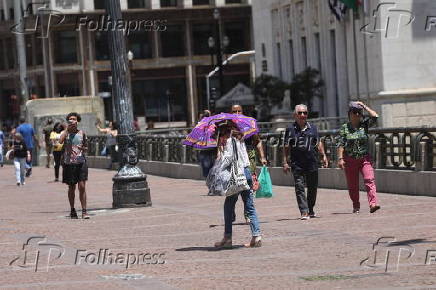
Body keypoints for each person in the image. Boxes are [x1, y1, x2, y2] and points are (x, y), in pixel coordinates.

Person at [212, 121, 262, 248]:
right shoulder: (240, 139)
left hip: (236, 176)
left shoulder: (229, 141)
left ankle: (227, 238)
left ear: (224, 133)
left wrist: (220, 155)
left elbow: (227, 160)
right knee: (249, 206)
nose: (219, 137)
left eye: (220, 134)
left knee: (228, 206)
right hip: (246, 173)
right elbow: (245, 159)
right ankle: (256, 236)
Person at [282, 104, 328, 220]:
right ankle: (304, 211)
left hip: (312, 162)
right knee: (299, 187)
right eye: (300, 113)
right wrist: (285, 162)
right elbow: (286, 146)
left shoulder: (313, 128)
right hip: (297, 164)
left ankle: (310, 209)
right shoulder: (290, 129)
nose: (302, 115)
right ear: (295, 115)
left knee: (312, 188)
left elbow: (318, 143)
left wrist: (323, 156)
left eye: (305, 113)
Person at [337, 101, 380, 214]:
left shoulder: (364, 125)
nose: (357, 115)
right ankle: (356, 205)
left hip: (364, 159)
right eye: (354, 112)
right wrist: (340, 158)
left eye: (359, 112)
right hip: (350, 160)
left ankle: (373, 204)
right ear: (349, 114)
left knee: (369, 179)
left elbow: (375, 116)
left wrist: (364, 106)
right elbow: (341, 143)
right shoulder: (345, 128)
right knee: (353, 185)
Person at [230, 104, 267, 223]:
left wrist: (262, 157)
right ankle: (230, 209)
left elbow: (258, 141)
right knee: (234, 187)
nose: (236, 113)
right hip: (234, 159)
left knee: (249, 186)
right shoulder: (228, 126)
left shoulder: (249, 124)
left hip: (248, 158)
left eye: (239, 111)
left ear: (242, 111)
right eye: (234, 111)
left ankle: (248, 213)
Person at [59, 112, 90, 219]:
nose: (72, 120)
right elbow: (60, 141)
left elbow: (86, 147)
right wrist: (67, 130)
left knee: (82, 186)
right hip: (69, 163)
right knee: (71, 187)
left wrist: (83, 149)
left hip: (81, 162)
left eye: (74, 119)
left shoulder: (82, 133)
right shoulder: (65, 132)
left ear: (77, 121)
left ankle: (84, 211)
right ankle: (72, 210)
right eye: (70, 119)